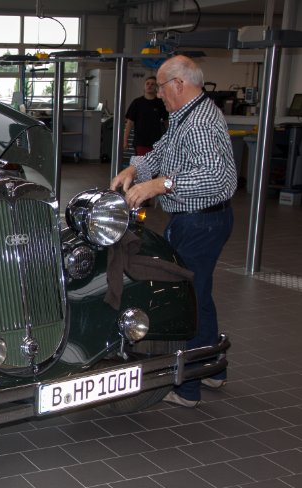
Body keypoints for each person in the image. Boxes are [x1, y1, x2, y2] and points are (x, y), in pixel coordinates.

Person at [111, 55, 236, 408]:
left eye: (162, 86)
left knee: (185, 299)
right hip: (198, 220)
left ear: (179, 84)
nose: (159, 93)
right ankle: (211, 368)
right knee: (199, 293)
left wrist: (160, 185)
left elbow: (215, 177)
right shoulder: (187, 116)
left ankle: (187, 388)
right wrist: (134, 170)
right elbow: (162, 153)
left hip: (201, 222)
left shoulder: (199, 122)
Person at [123, 75, 168, 156]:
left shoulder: (160, 103)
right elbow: (129, 123)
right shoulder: (137, 103)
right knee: (142, 163)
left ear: (156, 87)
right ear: (144, 86)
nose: (149, 86)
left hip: (157, 142)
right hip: (141, 142)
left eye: (152, 84)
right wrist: (125, 140)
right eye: (147, 83)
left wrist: (170, 138)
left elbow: (166, 122)